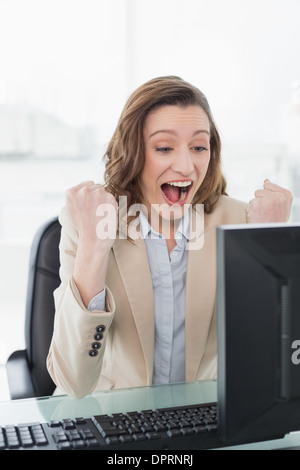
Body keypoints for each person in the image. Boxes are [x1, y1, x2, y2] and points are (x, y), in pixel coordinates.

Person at [47, 76, 293, 399]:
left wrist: (270, 243)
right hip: (110, 420)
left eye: (199, 147)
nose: (186, 165)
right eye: (164, 147)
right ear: (133, 151)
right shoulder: (90, 223)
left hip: (204, 421)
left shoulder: (241, 221)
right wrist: (94, 246)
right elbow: (73, 381)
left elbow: (274, 366)